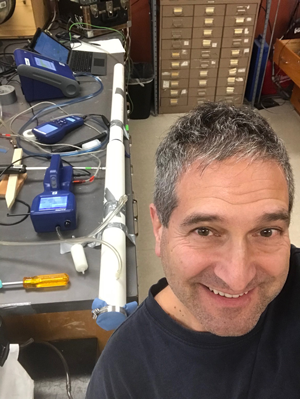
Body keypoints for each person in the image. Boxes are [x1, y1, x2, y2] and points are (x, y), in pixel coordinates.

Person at [86, 102, 300, 398]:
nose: (237, 278)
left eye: (266, 232)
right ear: (159, 228)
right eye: (204, 231)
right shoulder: (125, 375)